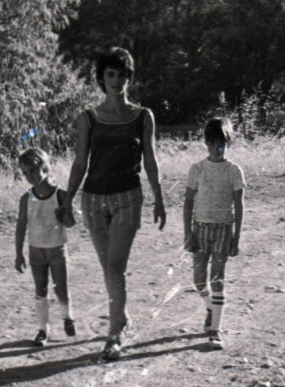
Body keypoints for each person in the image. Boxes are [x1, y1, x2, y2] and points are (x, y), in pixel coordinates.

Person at [63, 48, 166, 360]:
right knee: (108, 269)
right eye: (110, 74)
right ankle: (121, 316)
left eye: (122, 74)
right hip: (93, 199)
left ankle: (114, 334)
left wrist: (159, 198)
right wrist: (67, 201)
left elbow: (150, 159)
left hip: (128, 198)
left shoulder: (142, 116)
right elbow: (80, 164)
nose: (116, 80)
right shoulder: (88, 119)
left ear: (129, 78)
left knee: (115, 266)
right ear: (101, 78)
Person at [182, 117, 244, 351]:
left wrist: (236, 237)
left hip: (223, 230)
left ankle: (215, 330)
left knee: (218, 278)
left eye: (222, 144)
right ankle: (210, 307)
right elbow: (188, 202)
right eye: (213, 144)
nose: (217, 149)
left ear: (228, 143)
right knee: (199, 280)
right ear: (206, 143)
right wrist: (187, 232)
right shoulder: (197, 169)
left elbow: (239, 205)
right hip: (200, 229)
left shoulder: (234, 171)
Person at [13, 147, 77, 347]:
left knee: (61, 289)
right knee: (40, 289)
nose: (29, 177)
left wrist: (63, 215)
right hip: (36, 250)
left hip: (57, 248)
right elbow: (21, 226)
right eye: (25, 173)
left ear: (43, 165)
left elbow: (70, 223)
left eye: (32, 170)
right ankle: (43, 330)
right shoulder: (27, 198)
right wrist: (18, 254)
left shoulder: (61, 194)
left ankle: (67, 317)